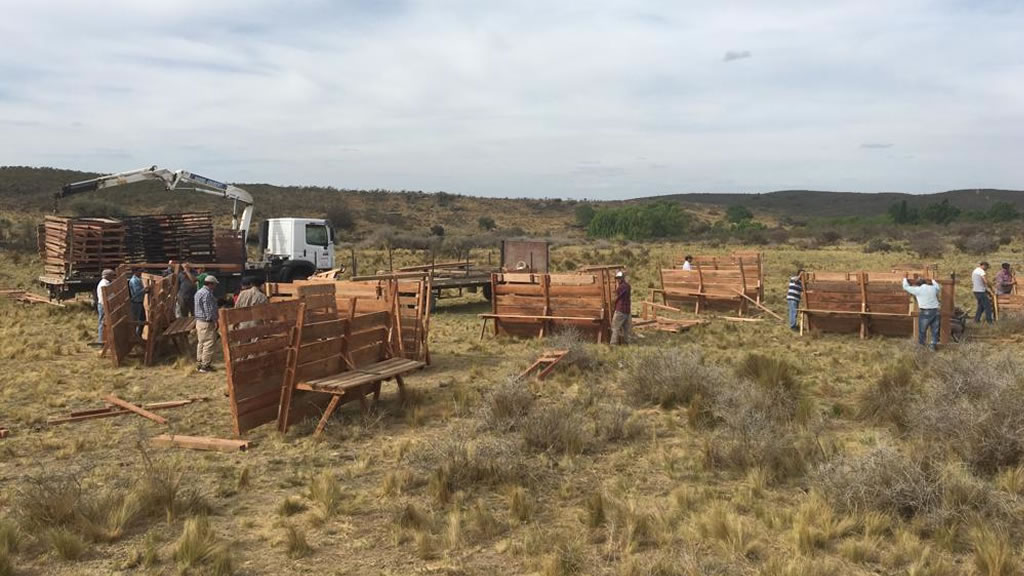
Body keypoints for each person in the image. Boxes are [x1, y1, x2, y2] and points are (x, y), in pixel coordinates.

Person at [903, 276, 942, 350]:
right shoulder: (932, 288)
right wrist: (932, 280)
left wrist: (905, 279)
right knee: (935, 329)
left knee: (922, 330)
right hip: (936, 311)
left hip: (925, 312)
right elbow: (938, 288)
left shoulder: (918, 290)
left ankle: (922, 346)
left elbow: (905, 287)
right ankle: (933, 345)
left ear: (918, 284)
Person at [194, 275, 220, 373]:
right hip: (206, 322)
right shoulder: (207, 294)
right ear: (210, 284)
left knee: (201, 343)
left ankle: (199, 363)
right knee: (208, 343)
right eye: (214, 284)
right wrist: (214, 320)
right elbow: (208, 309)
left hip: (199, 321)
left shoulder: (199, 292)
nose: (215, 286)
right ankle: (205, 366)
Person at [94, 268, 115, 347]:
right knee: (103, 323)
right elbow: (106, 297)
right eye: (112, 275)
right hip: (104, 305)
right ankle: (101, 342)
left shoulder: (106, 283)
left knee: (104, 323)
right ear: (107, 276)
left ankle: (103, 341)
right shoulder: (104, 284)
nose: (113, 277)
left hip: (104, 304)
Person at [611, 270, 631, 345]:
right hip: (627, 311)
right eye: (617, 278)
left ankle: (613, 344)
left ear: (622, 278)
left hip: (620, 310)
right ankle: (626, 345)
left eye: (619, 278)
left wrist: (612, 304)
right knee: (626, 330)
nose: (618, 280)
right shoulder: (628, 286)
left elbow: (615, 297)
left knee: (615, 327)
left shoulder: (621, 287)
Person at [128, 268, 147, 337]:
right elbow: (136, 292)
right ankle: (136, 336)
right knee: (137, 320)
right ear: (135, 272)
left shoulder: (139, 279)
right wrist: (144, 290)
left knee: (142, 319)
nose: (141, 272)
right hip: (136, 303)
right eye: (140, 271)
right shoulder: (134, 281)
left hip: (140, 302)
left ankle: (139, 335)